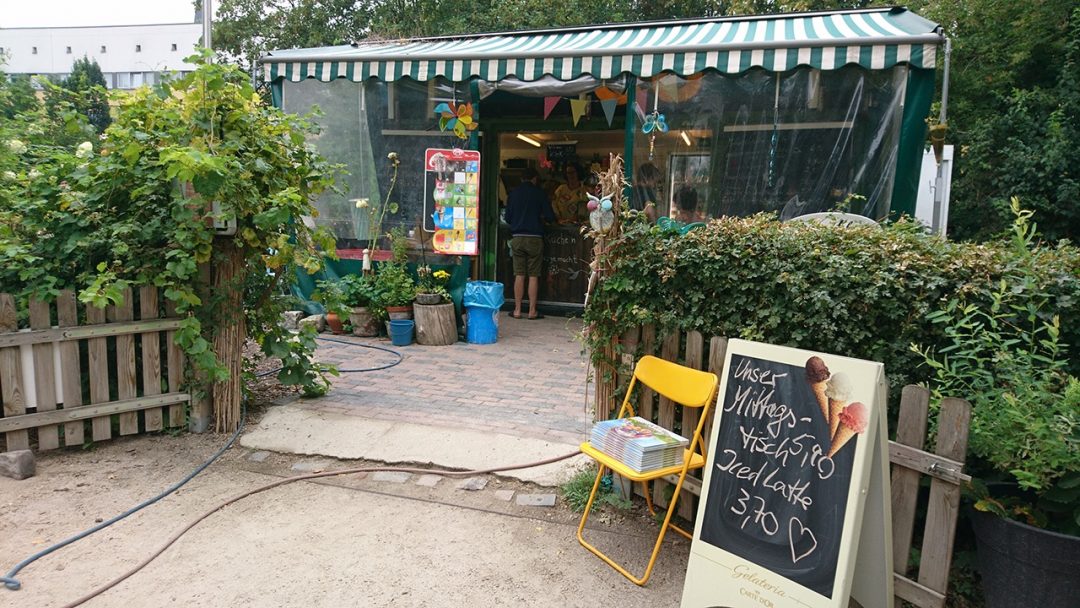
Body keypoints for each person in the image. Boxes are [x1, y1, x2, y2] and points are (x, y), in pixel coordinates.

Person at [504, 167, 555, 319]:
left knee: (519, 274)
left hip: (517, 237)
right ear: (534, 178)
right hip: (535, 238)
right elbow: (550, 216)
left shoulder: (513, 194)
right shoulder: (540, 193)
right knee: (533, 275)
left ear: (521, 179)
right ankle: (532, 311)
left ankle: (517, 310)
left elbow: (507, 218)